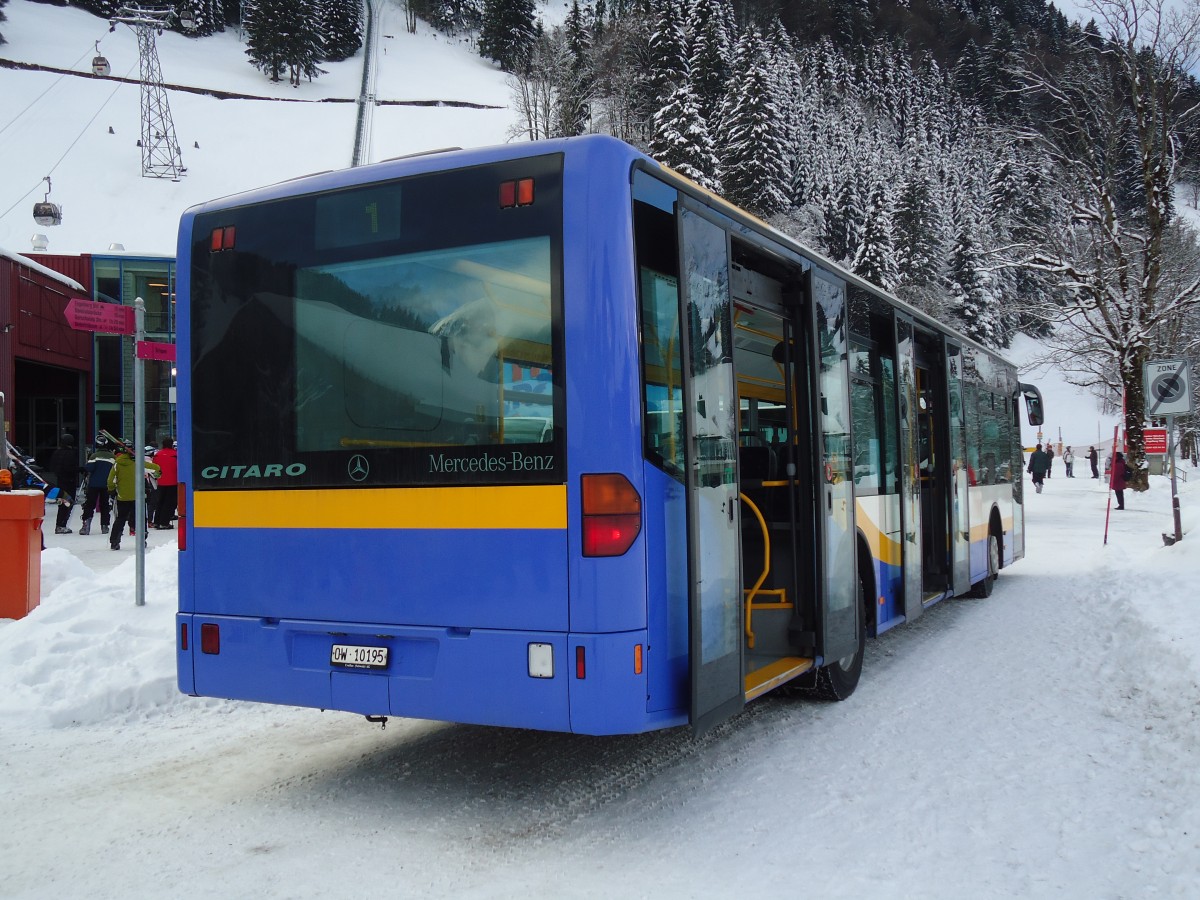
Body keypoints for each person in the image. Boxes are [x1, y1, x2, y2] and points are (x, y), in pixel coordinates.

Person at [107, 444, 161, 550]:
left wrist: (111, 490)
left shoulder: (117, 463)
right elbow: (156, 470)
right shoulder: (139, 463)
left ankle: (114, 541)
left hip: (122, 496)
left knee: (120, 519)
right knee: (140, 519)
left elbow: (110, 480)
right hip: (138, 497)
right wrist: (158, 473)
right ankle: (142, 539)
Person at [79, 436, 116, 535]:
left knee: (90, 505)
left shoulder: (94, 456)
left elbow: (89, 468)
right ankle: (105, 526)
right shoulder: (113, 457)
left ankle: (86, 526)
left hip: (94, 484)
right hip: (107, 484)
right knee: (105, 505)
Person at [48, 432, 82, 534]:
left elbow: (52, 466)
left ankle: (60, 525)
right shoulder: (71, 453)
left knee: (62, 503)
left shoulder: (57, 452)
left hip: (60, 481)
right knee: (68, 503)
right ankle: (61, 525)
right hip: (69, 481)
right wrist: (79, 470)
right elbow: (71, 467)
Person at [152, 436, 178, 529]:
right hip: (173, 481)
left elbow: (154, 468)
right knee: (169, 503)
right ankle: (164, 522)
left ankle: (156, 521)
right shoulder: (175, 454)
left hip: (161, 481)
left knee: (160, 502)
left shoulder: (157, 454)